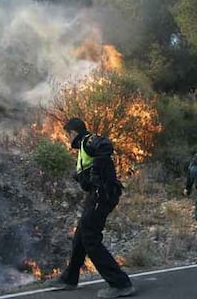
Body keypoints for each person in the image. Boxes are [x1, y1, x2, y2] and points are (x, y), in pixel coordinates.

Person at [45, 117, 135, 298]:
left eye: (67, 134)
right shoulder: (83, 150)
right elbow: (89, 178)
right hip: (96, 195)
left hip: (102, 194)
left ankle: (120, 283)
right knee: (80, 235)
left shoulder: (88, 140)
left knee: (90, 237)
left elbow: (106, 146)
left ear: (73, 132)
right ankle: (69, 279)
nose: (66, 138)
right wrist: (82, 177)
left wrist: (95, 171)